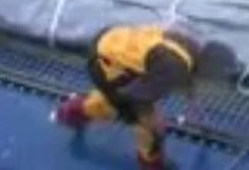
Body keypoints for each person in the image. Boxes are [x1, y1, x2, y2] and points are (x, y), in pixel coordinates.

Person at [53, 24, 236, 170]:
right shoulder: (173, 69)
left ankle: (71, 112)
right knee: (144, 123)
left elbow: (171, 65)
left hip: (115, 39)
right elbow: (135, 99)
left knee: (133, 101)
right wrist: (151, 124)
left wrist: (187, 85)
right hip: (105, 63)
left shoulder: (190, 46)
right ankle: (151, 163)